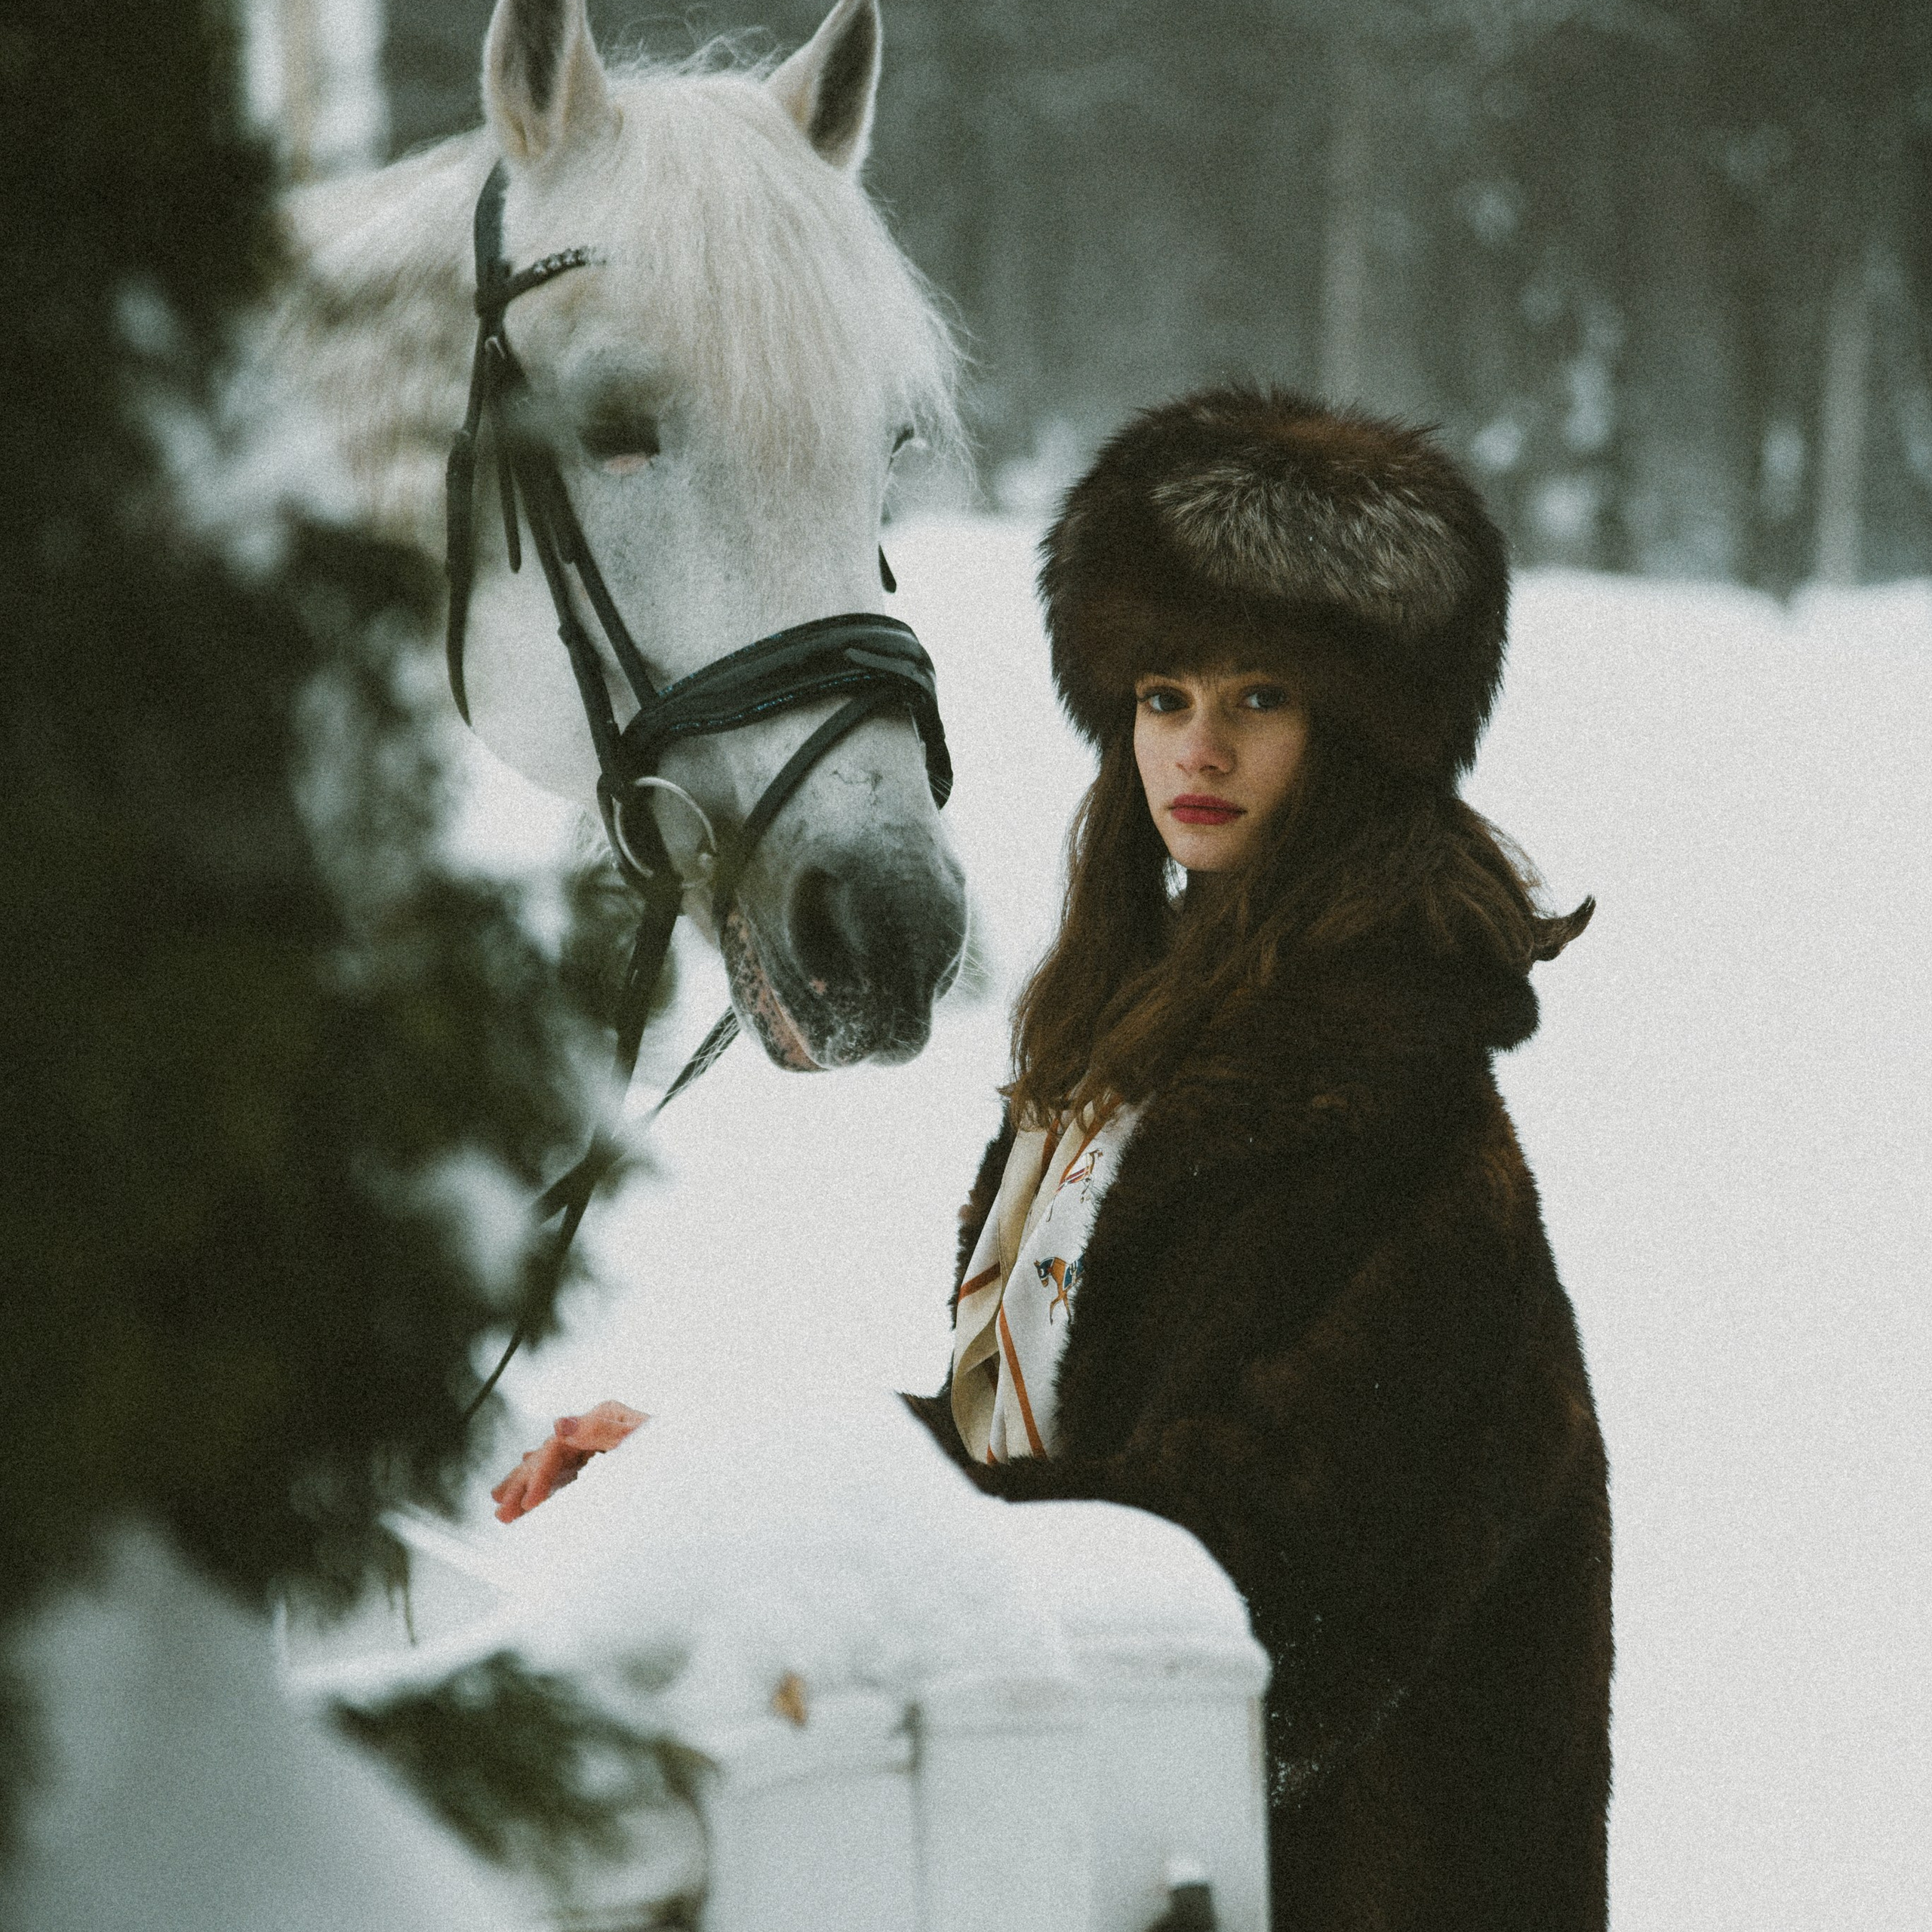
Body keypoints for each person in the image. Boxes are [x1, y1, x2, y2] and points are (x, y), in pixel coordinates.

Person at [494, 386, 1611, 1932]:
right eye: (1161, 693)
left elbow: (1245, 1603)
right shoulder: (1119, 1062)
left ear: (1353, 730)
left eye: (1259, 696)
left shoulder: (1403, 1131)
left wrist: (800, 1536)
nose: (1196, 745)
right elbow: (1032, 1467)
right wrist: (710, 1478)